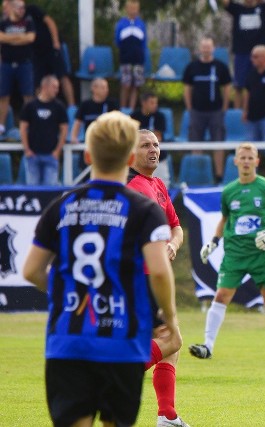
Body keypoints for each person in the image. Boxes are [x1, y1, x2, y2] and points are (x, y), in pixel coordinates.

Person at [22, 110, 180, 427]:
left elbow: (31, 271)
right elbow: (160, 271)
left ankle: (168, 415)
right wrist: (171, 316)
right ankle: (166, 414)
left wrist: (68, 292)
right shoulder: (141, 207)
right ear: (130, 155)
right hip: (119, 339)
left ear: (87, 155)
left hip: (68, 340)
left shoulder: (63, 205)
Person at [191, 142, 265, 362]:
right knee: (220, 296)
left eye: (250, 158)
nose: (246, 161)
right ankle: (207, 346)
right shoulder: (229, 191)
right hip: (235, 254)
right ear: (235, 161)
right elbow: (225, 219)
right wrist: (214, 242)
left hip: (262, 254)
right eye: (242, 157)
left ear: (256, 162)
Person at [126, 130, 189, 427]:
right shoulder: (131, 187)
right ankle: (118, 374)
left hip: (155, 276)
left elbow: (176, 227)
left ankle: (167, 415)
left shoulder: (158, 185)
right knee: (171, 339)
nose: (153, 149)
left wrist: (172, 245)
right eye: (145, 145)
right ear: (131, 154)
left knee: (169, 344)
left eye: (156, 145)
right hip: (141, 277)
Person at [182, 36, 232, 184]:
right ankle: (198, 176)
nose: (206, 49)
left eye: (208, 47)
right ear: (200, 48)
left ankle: (219, 176)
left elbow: (227, 87)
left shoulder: (221, 67)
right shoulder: (192, 67)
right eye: (203, 47)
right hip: (197, 112)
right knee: (196, 144)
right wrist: (190, 107)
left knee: (218, 143)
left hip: (216, 111)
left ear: (213, 48)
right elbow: (187, 89)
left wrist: (224, 107)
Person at [221, 0, 265, 108]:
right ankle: (238, 113)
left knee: (261, 84)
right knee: (239, 86)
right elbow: (225, 3)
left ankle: (261, 110)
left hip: (260, 53)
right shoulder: (237, 9)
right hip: (242, 52)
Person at [19, 75, 68, 186]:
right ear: (45, 87)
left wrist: (57, 151)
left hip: (51, 156)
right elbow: (22, 128)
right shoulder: (30, 106)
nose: (57, 90)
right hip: (33, 156)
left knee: (50, 193)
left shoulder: (59, 107)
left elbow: (64, 130)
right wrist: (27, 150)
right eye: (54, 87)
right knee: (33, 192)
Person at [25, 2, 75, 106]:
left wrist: (55, 42)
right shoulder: (11, 20)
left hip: (51, 47)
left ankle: (72, 107)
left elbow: (50, 22)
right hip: (36, 53)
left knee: (63, 76)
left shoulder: (32, 9)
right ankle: (40, 106)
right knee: (37, 81)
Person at [0, 0, 35, 137]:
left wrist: (9, 39)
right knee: (3, 96)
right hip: (7, 64)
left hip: (24, 64)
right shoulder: (4, 22)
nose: (22, 10)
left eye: (23, 8)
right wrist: (20, 37)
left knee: (27, 95)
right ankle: (1, 126)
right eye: (19, 8)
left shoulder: (28, 22)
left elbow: (30, 38)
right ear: (12, 8)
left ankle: (29, 124)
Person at [114, 0, 147, 110]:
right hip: (125, 58)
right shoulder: (121, 24)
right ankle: (123, 108)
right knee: (126, 84)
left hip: (138, 59)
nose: (133, 11)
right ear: (126, 9)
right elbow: (117, 41)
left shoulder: (141, 24)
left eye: (135, 9)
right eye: (131, 8)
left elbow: (144, 42)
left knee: (136, 85)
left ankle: (131, 108)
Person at [70, 77, 118, 145]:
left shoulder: (112, 104)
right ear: (94, 88)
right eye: (103, 87)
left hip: (108, 143)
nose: (106, 90)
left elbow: (118, 123)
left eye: (106, 87)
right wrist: (74, 137)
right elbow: (78, 122)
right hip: (90, 143)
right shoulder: (85, 105)